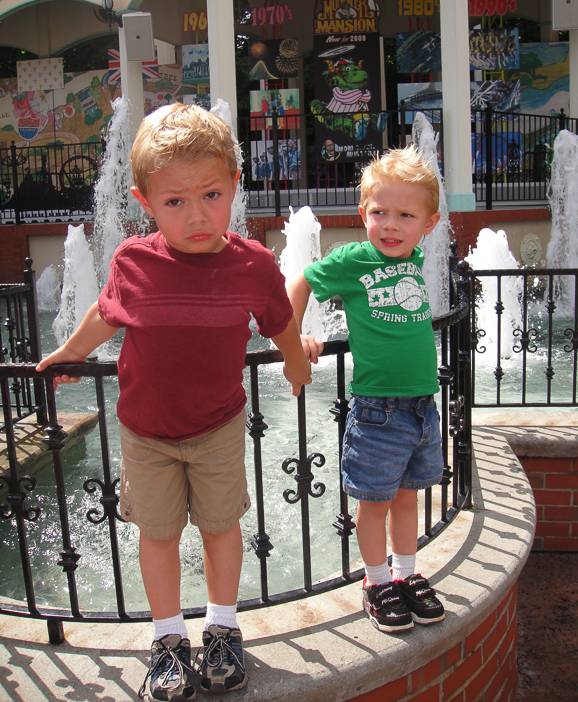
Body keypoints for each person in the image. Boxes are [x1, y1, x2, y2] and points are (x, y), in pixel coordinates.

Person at [36, 103, 312, 701]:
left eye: (211, 194)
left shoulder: (252, 264)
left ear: (234, 185)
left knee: (220, 527)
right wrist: (65, 352)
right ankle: (167, 640)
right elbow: (103, 317)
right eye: (175, 202)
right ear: (145, 201)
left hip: (216, 426)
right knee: (157, 535)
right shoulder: (135, 261)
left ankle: (221, 627)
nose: (196, 215)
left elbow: (280, 321)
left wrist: (293, 357)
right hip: (146, 432)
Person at [287, 144, 446, 634]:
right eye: (380, 213)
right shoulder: (354, 258)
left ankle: (406, 573)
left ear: (429, 223)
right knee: (374, 503)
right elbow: (300, 282)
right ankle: (376, 583)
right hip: (378, 408)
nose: (391, 225)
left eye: (405, 215)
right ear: (363, 214)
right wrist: (293, 343)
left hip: (422, 406)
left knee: (406, 499)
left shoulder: (412, 257)